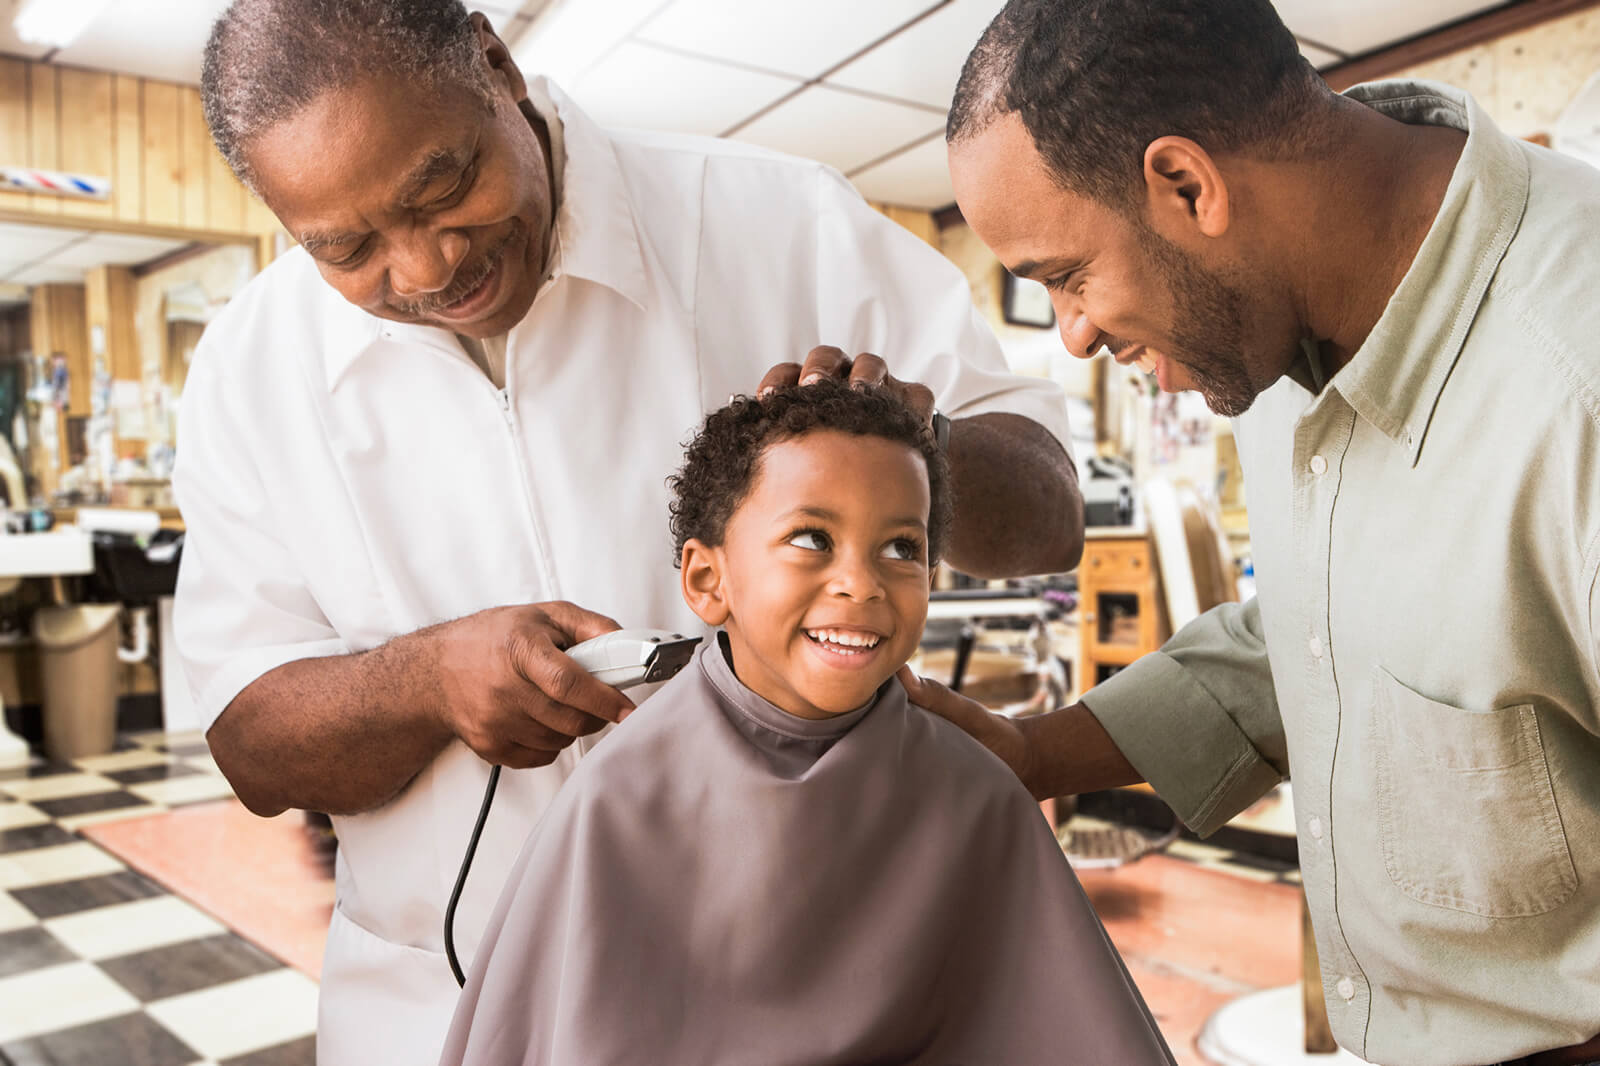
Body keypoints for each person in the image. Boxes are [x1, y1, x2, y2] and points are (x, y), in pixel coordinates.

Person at [177, 1, 1083, 1062]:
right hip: (434, 1009)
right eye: (349, 248)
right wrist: (425, 683)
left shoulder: (777, 221)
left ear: (493, 62)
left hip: (808, 991)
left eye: (445, 187)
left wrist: (906, 450)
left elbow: (1050, 511)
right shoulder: (252, 371)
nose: (426, 271)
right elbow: (251, 744)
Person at [913, 1, 1600, 1064]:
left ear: (1187, 185)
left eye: (1065, 275)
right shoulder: (1269, 325)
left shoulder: (1574, 375)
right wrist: (1028, 752)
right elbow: (1323, 630)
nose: (1076, 333)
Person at [439, 380, 1174, 1066]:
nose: (861, 582)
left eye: (901, 549)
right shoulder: (620, 802)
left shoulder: (974, 795)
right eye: (812, 539)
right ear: (707, 580)